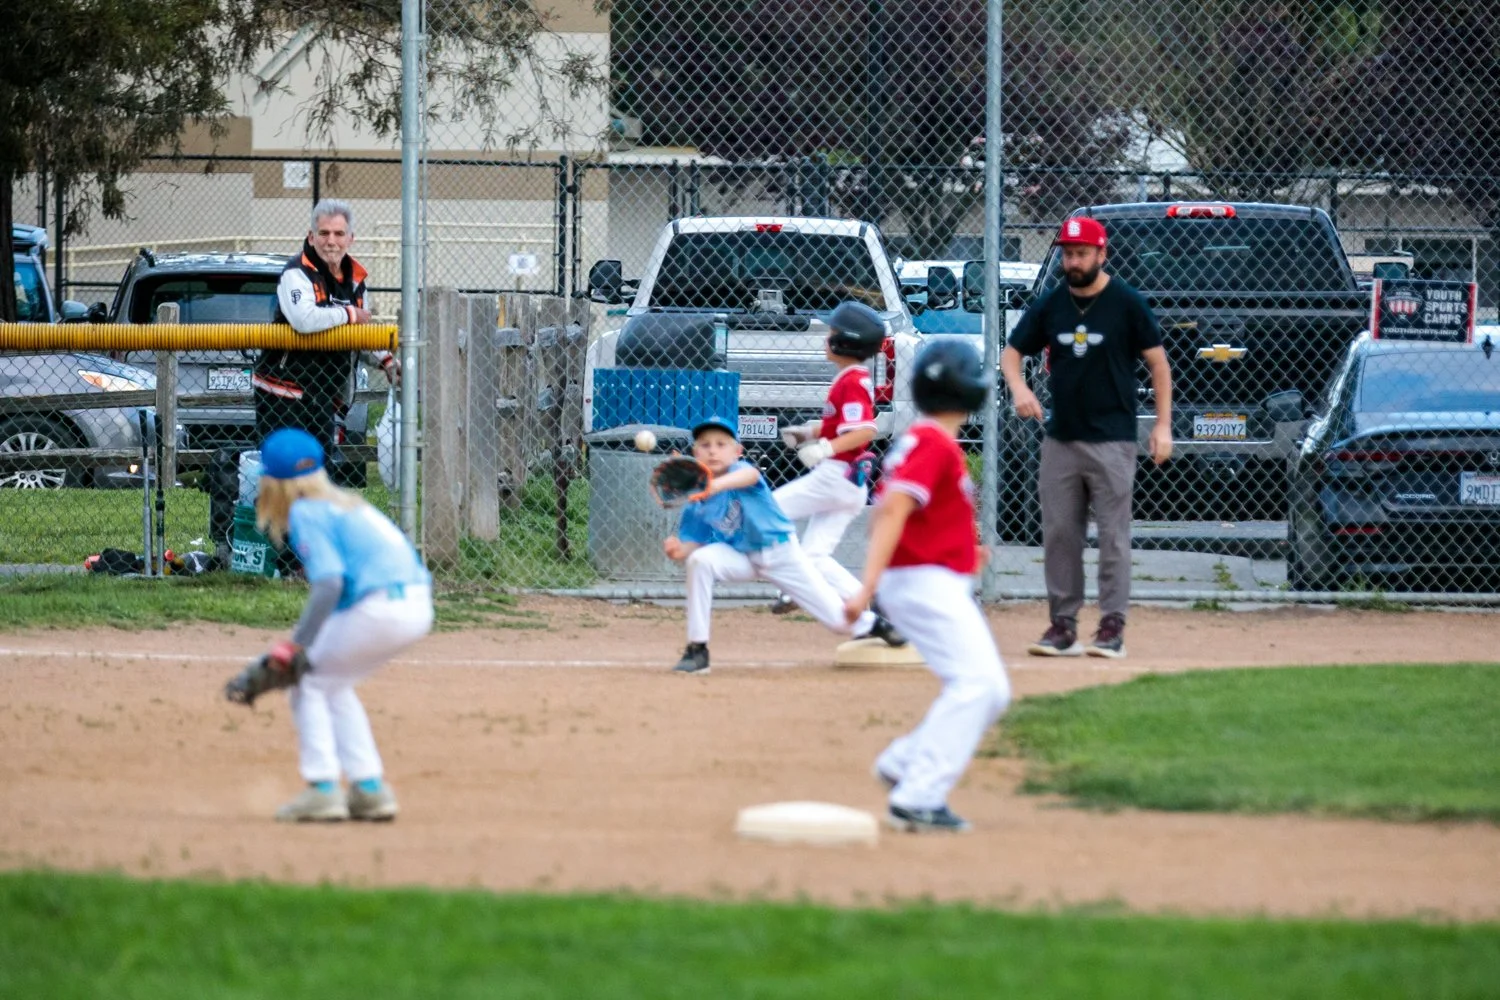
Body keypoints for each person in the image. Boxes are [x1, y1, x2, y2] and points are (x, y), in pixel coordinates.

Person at [844, 339, 1010, 833]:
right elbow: (894, 509)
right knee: (979, 685)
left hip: (931, 579)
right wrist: (865, 585)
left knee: (989, 689)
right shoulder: (934, 443)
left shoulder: (926, 438)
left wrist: (965, 550)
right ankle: (917, 795)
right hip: (922, 583)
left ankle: (903, 762)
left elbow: (923, 514)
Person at [1002, 216, 1173, 660]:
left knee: (1113, 536)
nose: (1073, 261)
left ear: (1102, 254)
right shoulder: (1052, 304)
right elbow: (1012, 352)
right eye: (1067, 253)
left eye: (1081, 253)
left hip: (1112, 439)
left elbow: (1159, 366)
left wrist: (1162, 425)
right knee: (1061, 534)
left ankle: (1111, 626)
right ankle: (1062, 625)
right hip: (1061, 438)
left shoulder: (1126, 304)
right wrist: (1019, 388)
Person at [253, 427, 433, 822]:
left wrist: (296, 644)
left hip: (380, 606)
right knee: (331, 684)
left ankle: (322, 789)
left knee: (306, 681)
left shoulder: (306, 511)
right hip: (416, 603)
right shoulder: (350, 503)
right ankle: (369, 789)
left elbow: (329, 584)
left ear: (272, 482)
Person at [663, 417, 903, 675]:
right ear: (695, 453)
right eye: (705, 445)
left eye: (721, 444)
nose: (712, 450)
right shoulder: (697, 500)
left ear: (737, 452)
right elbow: (695, 541)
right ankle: (697, 650)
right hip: (742, 556)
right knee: (701, 561)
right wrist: (680, 550)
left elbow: (749, 475)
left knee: (838, 622)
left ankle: (875, 624)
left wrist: (714, 485)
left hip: (781, 554)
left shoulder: (741, 471)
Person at [254, 198, 398, 458]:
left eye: (339, 233)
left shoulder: (356, 281)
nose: (331, 241)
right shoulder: (295, 273)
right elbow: (304, 319)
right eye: (324, 233)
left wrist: (386, 360)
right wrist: (350, 313)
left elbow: (360, 332)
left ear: (351, 238)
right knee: (284, 474)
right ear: (311, 237)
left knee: (319, 472)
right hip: (282, 392)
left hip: (325, 394)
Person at [770, 300, 887, 616]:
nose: (826, 338)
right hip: (848, 480)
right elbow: (841, 425)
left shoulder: (852, 381)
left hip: (836, 475)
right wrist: (808, 433)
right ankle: (875, 613)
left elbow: (864, 430)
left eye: (832, 332)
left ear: (844, 341)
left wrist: (824, 449)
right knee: (815, 557)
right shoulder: (850, 377)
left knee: (771, 509)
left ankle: (787, 582)